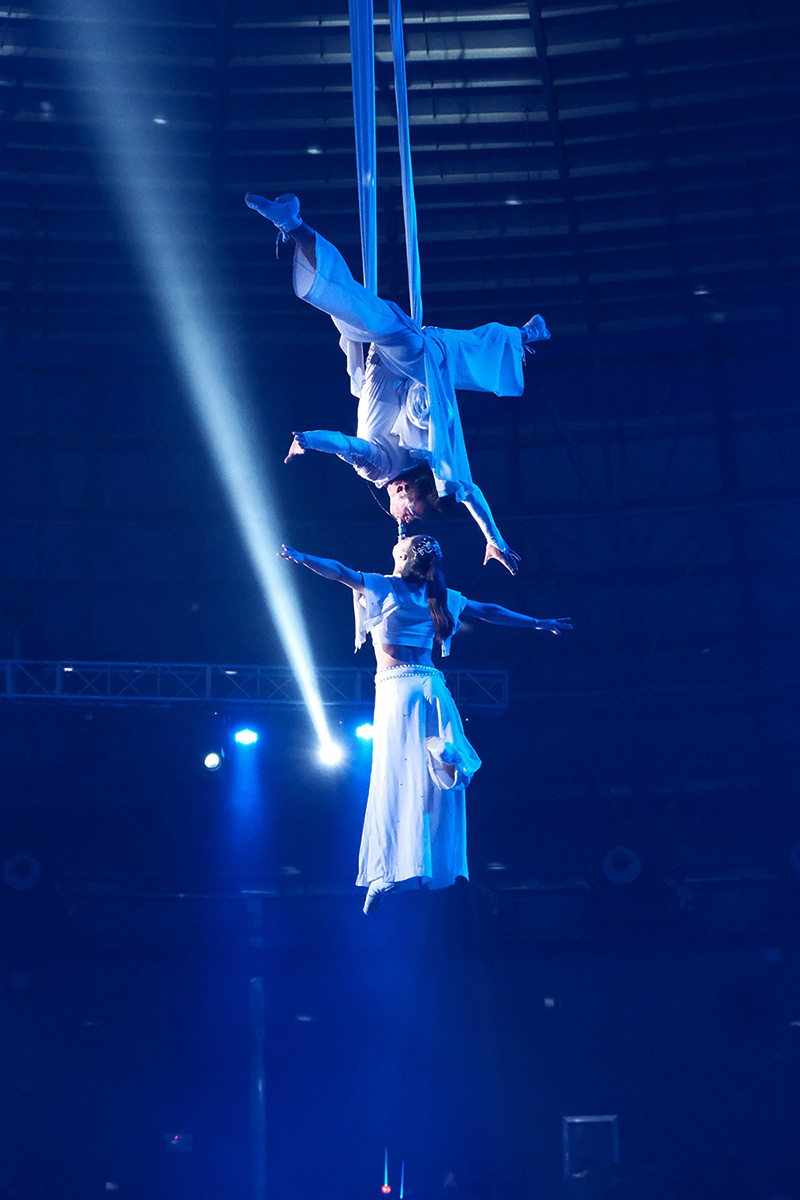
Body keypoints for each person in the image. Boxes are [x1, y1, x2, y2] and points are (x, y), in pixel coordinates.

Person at [248, 191, 551, 573]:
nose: (406, 519)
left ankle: (524, 335)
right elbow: (467, 491)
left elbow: (346, 445)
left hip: (386, 355)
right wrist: (493, 539)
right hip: (409, 355)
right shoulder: (404, 461)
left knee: (348, 305)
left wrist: (309, 440)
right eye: (412, 513)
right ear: (405, 490)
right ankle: (291, 223)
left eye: (410, 517)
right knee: (353, 304)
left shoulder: (383, 466)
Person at [279, 534, 571, 913]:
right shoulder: (439, 594)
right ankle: (443, 765)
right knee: (424, 780)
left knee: (394, 778)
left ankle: (387, 871)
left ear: (403, 557)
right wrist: (536, 622)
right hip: (433, 686)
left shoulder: (381, 585)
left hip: (397, 690)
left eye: (404, 543)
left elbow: (337, 571)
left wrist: (302, 557)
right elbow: (488, 610)